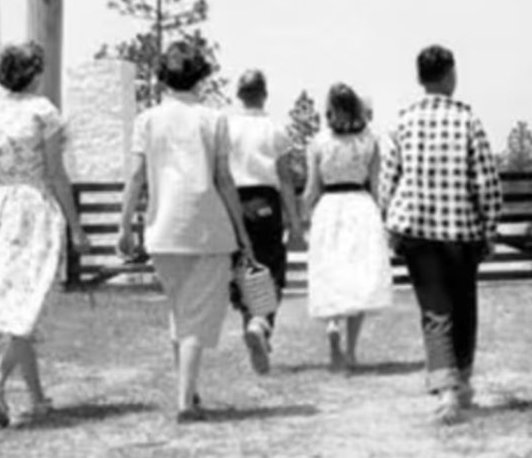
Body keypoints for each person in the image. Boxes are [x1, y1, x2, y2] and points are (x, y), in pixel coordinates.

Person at [117, 41, 257, 423]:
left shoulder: (147, 119)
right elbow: (225, 180)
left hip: (162, 227)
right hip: (207, 227)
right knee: (196, 316)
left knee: (180, 313)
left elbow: (135, 177)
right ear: (200, 77)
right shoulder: (214, 120)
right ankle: (184, 400)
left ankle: (189, 390)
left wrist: (124, 223)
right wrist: (241, 232)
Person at [0, 41, 91, 428]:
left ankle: (37, 398)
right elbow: (56, 172)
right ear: (34, 73)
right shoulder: (43, 112)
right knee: (32, 299)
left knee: (18, 299)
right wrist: (75, 226)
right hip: (34, 205)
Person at [379, 45, 502, 425]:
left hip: (416, 230)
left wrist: (389, 220)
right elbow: (486, 181)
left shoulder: (402, 121)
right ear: (450, 74)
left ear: (420, 78)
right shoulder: (468, 121)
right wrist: (490, 226)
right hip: (460, 232)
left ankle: (446, 391)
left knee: (435, 311)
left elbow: (387, 181)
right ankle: (462, 382)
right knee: (464, 305)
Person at [303, 83, 393, 372]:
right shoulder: (369, 141)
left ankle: (332, 323)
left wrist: (302, 219)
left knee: (331, 271)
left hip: (329, 207)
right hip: (360, 206)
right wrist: (385, 218)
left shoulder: (318, 142)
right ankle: (351, 351)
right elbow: (379, 186)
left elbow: (310, 189)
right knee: (359, 276)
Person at [226, 69, 301, 374]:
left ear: (239, 95)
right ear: (264, 94)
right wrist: (295, 221)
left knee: (242, 269)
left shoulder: (226, 127)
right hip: (266, 202)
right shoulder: (276, 130)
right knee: (270, 269)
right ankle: (262, 323)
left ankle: (251, 325)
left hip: (234, 201)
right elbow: (284, 178)